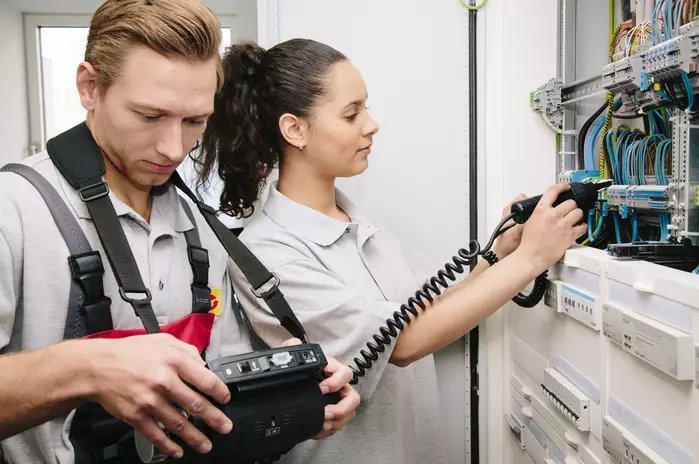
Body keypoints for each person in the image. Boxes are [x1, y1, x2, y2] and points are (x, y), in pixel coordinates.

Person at [199, 38, 587, 464]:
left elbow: (432, 309)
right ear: (295, 129)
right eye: (351, 114)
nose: (371, 124)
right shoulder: (268, 251)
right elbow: (403, 343)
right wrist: (533, 258)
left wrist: (503, 253)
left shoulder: (357, 222)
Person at [0, 4, 359, 463]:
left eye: (194, 121)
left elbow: (212, 385)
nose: (174, 148)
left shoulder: (198, 226)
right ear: (90, 87)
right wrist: (82, 368)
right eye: (149, 116)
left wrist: (290, 388)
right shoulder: (14, 209)